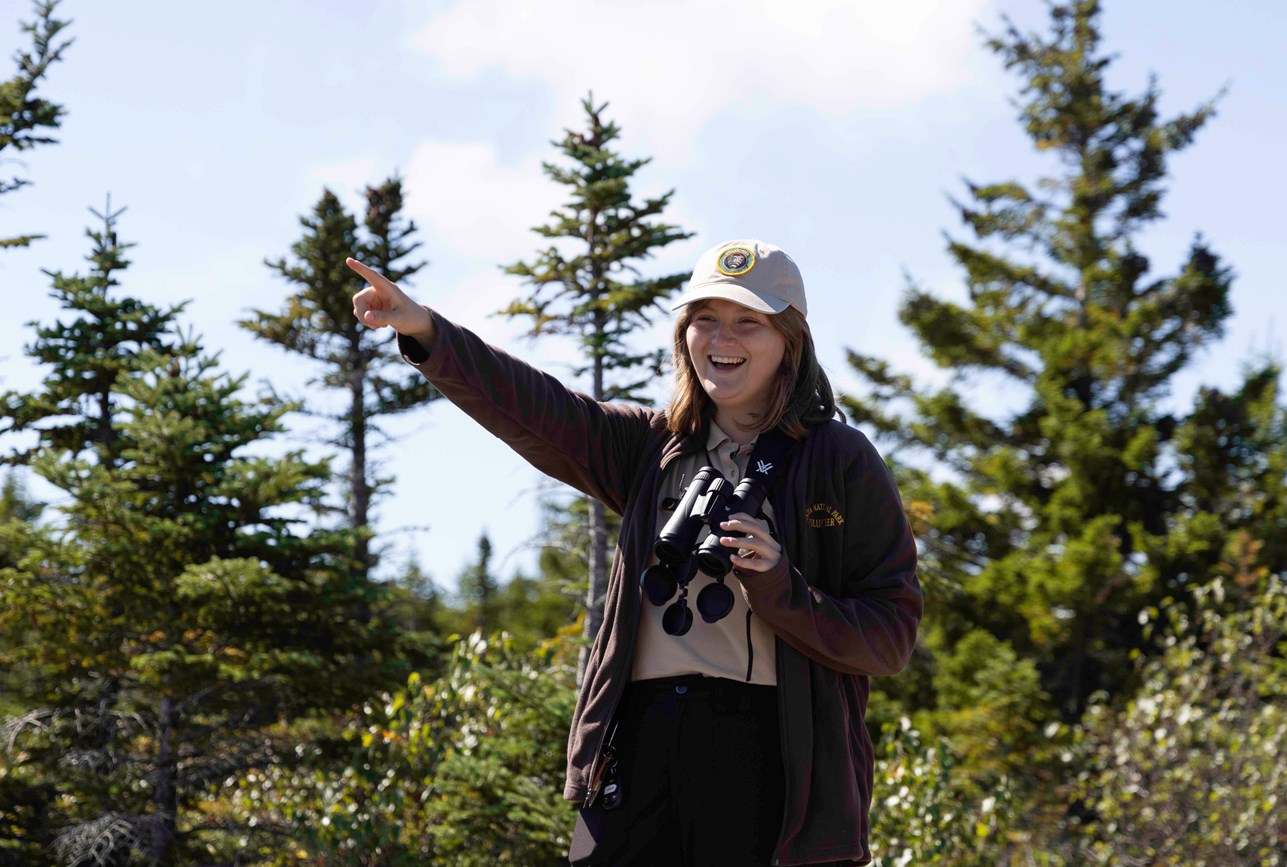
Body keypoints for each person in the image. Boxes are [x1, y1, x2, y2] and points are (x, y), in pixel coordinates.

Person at [348, 239, 922, 866]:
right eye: (704, 317)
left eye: (748, 321)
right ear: (684, 335)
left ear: (791, 341)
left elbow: (889, 637)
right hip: (640, 735)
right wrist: (427, 331)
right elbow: (537, 409)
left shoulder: (840, 461)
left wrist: (779, 581)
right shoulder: (651, 447)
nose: (721, 337)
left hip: (769, 749)